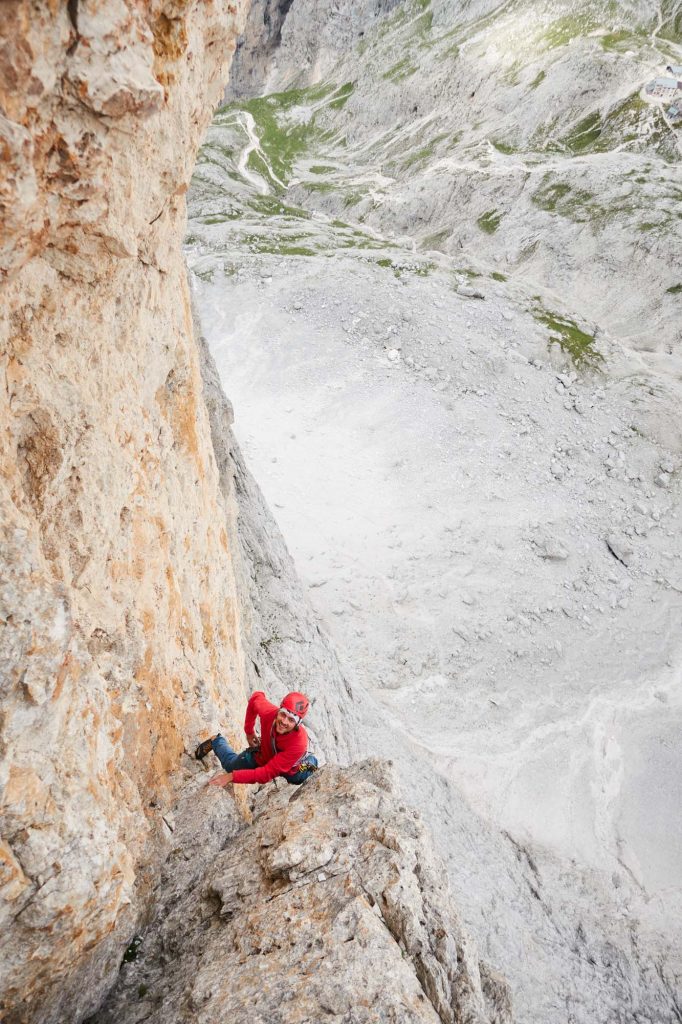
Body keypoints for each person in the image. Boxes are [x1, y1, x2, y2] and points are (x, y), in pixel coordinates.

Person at [195, 690, 318, 788]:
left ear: (298, 724)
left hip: (291, 767)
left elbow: (267, 773)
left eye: (291, 720)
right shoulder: (269, 713)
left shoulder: (298, 744)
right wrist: (249, 731)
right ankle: (216, 741)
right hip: (263, 755)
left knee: (296, 779)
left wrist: (231, 777)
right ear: (279, 710)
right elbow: (256, 698)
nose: (284, 722)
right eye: (283, 714)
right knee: (229, 767)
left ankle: (311, 762)